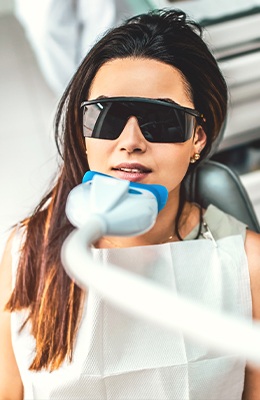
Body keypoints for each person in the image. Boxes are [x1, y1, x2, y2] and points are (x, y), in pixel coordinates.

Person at [0, 8, 260, 400]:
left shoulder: (249, 264)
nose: (130, 140)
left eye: (162, 120)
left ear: (198, 139)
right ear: (83, 133)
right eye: (107, 116)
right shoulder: (26, 253)